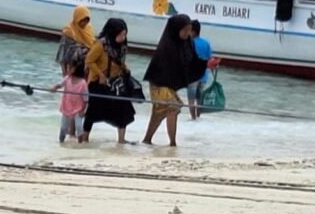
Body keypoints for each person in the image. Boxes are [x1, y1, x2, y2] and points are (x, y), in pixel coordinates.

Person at [142, 14, 209, 147]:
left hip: (169, 84)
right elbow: (166, 69)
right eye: (184, 30)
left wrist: (207, 63)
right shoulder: (166, 47)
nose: (187, 33)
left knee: (159, 112)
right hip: (158, 82)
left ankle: (147, 139)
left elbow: (193, 61)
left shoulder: (187, 42)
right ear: (176, 29)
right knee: (172, 107)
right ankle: (172, 143)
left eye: (189, 30)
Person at [83, 18, 136, 143]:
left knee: (123, 108)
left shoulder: (122, 46)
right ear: (112, 33)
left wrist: (125, 68)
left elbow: (120, 61)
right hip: (99, 83)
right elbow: (89, 61)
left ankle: (121, 140)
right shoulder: (100, 45)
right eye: (120, 34)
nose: (123, 37)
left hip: (116, 82)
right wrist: (100, 74)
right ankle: (85, 138)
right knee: (93, 111)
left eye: (125, 34)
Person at [187, 20, 221, 120]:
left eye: (189, 30)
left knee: (191, 100)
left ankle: (193, 120)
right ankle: (198, 118)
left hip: (192, 77)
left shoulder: (189, 43)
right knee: (199, 100)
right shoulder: (206, 43)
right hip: (203, 77)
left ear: (193, 31)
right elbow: (211, 60)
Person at [52, 61, 89, 143]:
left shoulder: (83, 83)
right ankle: (61, 142)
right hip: (67, 106)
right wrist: (54, 87)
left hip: (78, 108)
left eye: (69, 68)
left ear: (75, 69)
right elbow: (60, 85)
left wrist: (83, 110)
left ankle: (80, 144)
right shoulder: (67, 78)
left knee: (79, 127)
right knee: (63, 128)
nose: (67, 69)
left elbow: (85, 99)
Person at [57, 6, 95, 76]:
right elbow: (64, 54)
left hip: (84, 65)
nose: (84, 23)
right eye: (83, 20)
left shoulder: (88, 29)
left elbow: (91, 44)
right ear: (77, 18)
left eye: (86, 21)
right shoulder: (68, 31)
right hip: (70, 65)